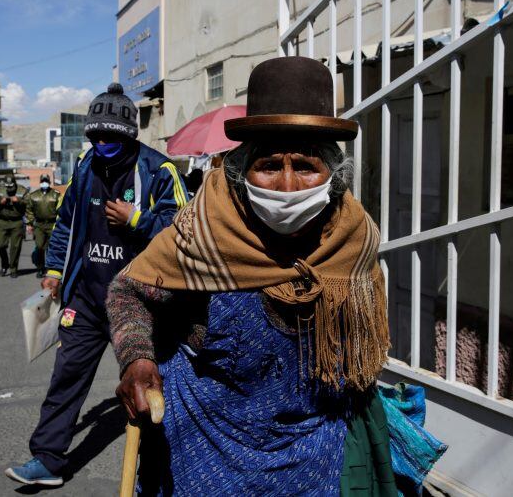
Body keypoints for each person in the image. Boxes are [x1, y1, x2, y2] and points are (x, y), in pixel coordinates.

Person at [107, 57, 400, 495]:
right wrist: (138, 357)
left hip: (314, 448)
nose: (285, 186)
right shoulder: (204, 230)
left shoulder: (353, 239)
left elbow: (360, 349)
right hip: (207, 450)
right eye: (268, 165)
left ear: (334, 177)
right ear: (243, 173)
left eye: (304, 166)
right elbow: (127, 289)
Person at [5, 82, 189, 487]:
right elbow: (66, 224)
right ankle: (48, 459)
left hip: (139, 303)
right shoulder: (85, 168)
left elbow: (185, 231)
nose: (102, 142)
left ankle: (159, 475)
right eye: (96, 135)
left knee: (149, 388)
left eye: (111, 136)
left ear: (128, 134)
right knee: (66, 377)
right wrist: (55, 273)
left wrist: (137, 220)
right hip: (87, 298)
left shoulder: (159, 170)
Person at [0, 174, 28, 278]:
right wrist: (0, 202)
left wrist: (18, 201)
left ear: (14, 183)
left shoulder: (22, 190)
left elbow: (29, 203)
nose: (9, 188)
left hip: (17, 222)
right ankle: (5, 264)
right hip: (2, 222)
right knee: (0, 244)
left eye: (11, 186)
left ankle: (13, 268)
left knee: (15, 247)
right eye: (7, 186)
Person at [25, 174, 60, 278]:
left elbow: (61, 210)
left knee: (51, 247)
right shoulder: (33, 195)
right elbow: (29, 210)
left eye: (46, 181)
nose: (44, 183)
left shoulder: (56, 195)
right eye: (43, 181)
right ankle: (40, 268)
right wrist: (29, 223)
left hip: (52, 224)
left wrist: (59, 223)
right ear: (40, 182)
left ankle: (50, 268)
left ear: (49, 182)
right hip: (39, 225)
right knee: (39, 246)